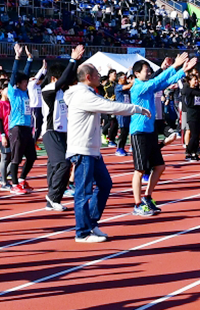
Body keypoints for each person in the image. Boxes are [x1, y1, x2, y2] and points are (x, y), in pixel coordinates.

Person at [64, 63, 150, 243]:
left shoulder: (87, 93)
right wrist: (136, 109)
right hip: (82, 150)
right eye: (96, 73)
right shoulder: (83, 95)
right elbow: (110, 106)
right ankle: (82, 232)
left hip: (92, 149)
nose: (99, 77)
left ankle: (91, 223)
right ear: (88, 77)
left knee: (105, 184)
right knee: (83, 192)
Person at [129, 53, 196, 216]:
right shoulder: (137, 87)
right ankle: (137, 204)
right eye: (146, 71)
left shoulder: (148, 86)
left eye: (149, 70)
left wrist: (182, 71)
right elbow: (157, 81)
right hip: (139, 132)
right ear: (137, 74)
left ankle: (147, 197)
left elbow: (164, 83)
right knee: (140, 170)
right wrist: (174, 66)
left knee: (159, 166)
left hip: (150, 131)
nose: (149, 73)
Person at [41, 45, 84, 212]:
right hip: (51, 132)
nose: (65, 83)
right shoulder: (47, 91)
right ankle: (53, 197)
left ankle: (51, 199)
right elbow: (64, 78)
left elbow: (69, 77)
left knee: (54, 165)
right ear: (54, 79)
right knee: (63, 163)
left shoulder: (63, 94)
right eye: (61, 81)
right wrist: (72, 59)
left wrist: (76, 62)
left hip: (63, 133)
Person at [6, 45, 36, 195]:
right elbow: (14, 76)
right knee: (16, 157)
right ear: (19, 83)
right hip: (16, 127)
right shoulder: (14, 92)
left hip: (26, 127)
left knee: (32, 156)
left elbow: (25, 74)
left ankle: (22, 179)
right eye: (24, 82)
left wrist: (30, 59)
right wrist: (18, 57)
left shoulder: (25, 93)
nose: (26, 84)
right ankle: (14, 184)